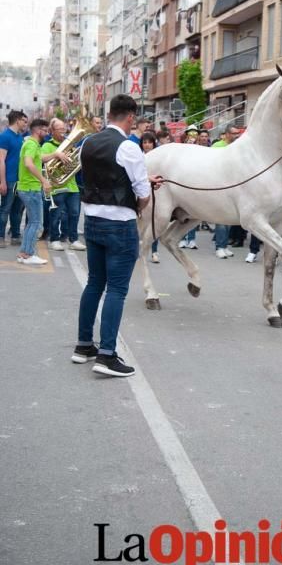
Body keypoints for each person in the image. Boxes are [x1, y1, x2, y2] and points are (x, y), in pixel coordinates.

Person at [72, 94, 162, 377]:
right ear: (131, 116)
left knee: (95, 283)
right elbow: (143, 196)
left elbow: (102, 176)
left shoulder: (88, 142)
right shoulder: (129, 147)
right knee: (117, 290)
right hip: (120, 224)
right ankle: (107, 355)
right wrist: (140, 198)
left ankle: (84, 345)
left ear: (109, 114)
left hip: (93, 221)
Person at [16, 119, 69, 265]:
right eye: (45, 130)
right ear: (38, 130)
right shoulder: (32, 144)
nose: (47, 133)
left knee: (32, 223)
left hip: (28, 188)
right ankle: (28, 254)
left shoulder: (32, 144)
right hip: (30, 188)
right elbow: (28, 163)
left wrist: (56, 154)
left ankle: (24, 254)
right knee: (36, 223)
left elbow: (40, 158)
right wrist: (43, 180)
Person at [41, 118, 86, 252]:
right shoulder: (47, 145)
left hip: (72, 185)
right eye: (60, 129)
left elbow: (76, 162)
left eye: (64, 129)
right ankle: (54, 239)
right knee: (56, 214)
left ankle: (73, 240)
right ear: (52, 131)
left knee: (74, 213)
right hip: (57, 186)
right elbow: (40, 158)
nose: (63, 131)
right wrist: (56, 154)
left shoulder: (71, 145)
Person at [212, 124, 241, 258]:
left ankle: (225, 245)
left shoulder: (239, 148)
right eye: (234, 133)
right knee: (220, 219)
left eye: (238, 133)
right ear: (227, 134)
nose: (237, 135)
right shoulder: (217, 146)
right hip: (219, 186)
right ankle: (219, 246)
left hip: (233, 187)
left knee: (229, 219)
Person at [0, 109, 28, 247]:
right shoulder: (5, 136)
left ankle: (15, 236)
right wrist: (3, 181)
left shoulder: (20, 137)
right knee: (5, 209)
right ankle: (0, 237)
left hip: (20, 179)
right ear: (18, 120)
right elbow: (1, 160)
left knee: (17, 210)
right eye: (24, 121)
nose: (25, 124)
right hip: (9, 180)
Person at [139, 131, 160, 263]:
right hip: (141, 193)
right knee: (140, 223)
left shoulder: (159, 157)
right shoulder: (139, 157)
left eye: (149, 142)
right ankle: (139, 250)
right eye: (144, 142)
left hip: (156, 192)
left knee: (154, 221)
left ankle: (154, 251)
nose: (147, 145)